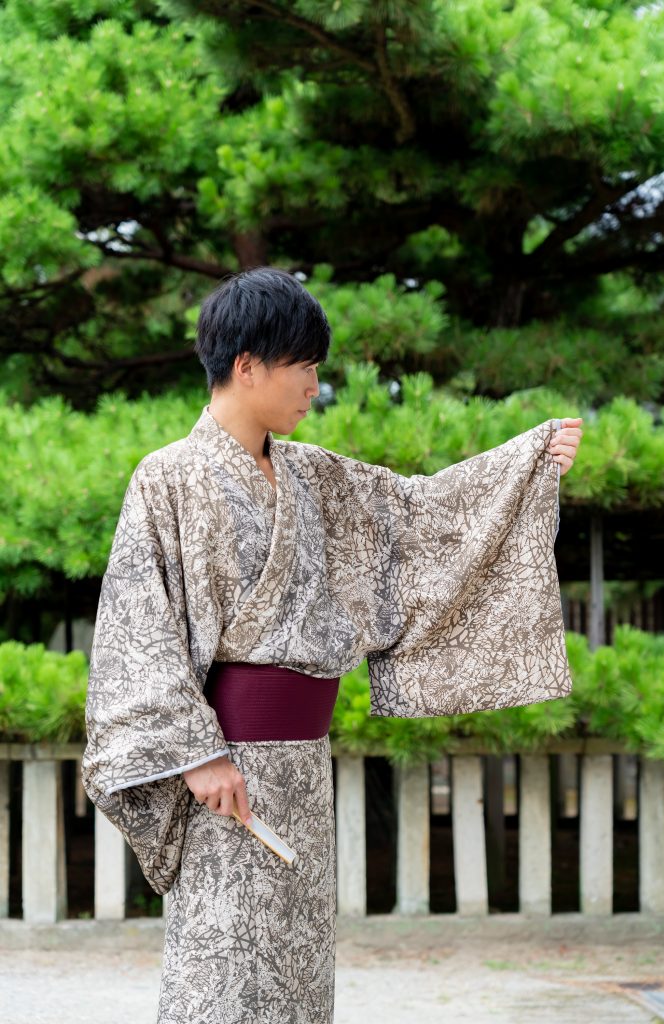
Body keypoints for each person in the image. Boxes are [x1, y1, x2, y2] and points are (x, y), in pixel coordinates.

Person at [81, 267, 582, 1024]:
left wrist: (529, 466)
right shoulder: (168, 479)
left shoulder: (315, 476)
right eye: (304, 366)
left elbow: (421, 518)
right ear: (247, 365)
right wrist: (197, 755)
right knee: (222, 968)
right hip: (221, 769)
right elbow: (136, 632)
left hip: (302, 768)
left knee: (297, 969)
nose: (315, 384)